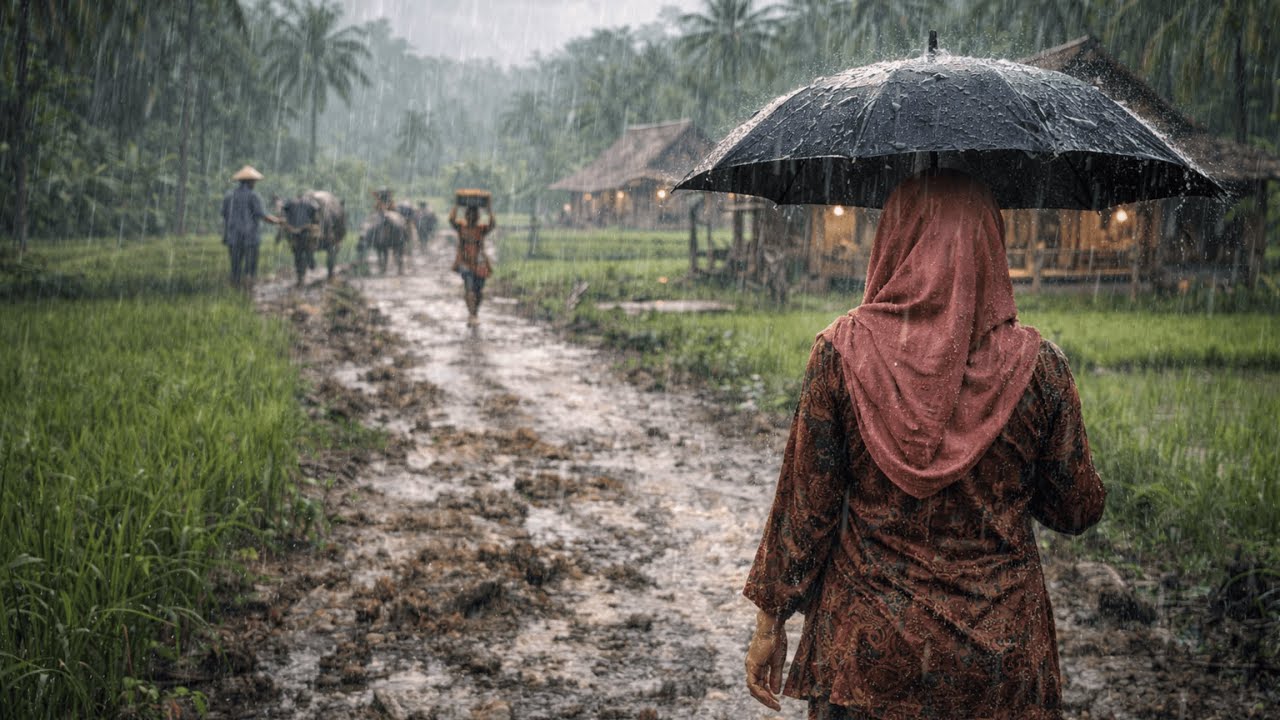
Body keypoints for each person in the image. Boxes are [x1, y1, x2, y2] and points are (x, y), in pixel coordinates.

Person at [743, 171, 1106, 720]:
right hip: (1000, 663)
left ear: (893, 242)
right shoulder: (1041, 370)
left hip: (867, 660)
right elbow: (1075, 509)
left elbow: (805, 510)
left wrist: (770, 621)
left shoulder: (841, 356)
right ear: (992, 247)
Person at [221, 165, 280, 289]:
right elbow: (261, 214)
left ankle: (235, 289)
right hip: (250, 237)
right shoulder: (253, 195)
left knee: (235, 266)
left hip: (233, 237)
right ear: (250, 182)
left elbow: (224, 214)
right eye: (254, 181)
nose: (255, 183)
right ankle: (249, 289)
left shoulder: (229, 196)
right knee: (250, 266)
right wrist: (277, 221)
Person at [448, 203, 495, 323]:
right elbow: (452, 220)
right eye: (469, 214)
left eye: (474, 215)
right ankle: (471, 314)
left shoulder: (481, 229)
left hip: (480, 262)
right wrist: (457, 205)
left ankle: (475, 312)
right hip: (465, 261)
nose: (471, 217)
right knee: (469, 289)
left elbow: (492, 224)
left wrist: (489, 209)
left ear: (477, 217)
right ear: (466, 216)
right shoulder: (461, 227)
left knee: (479, 291)